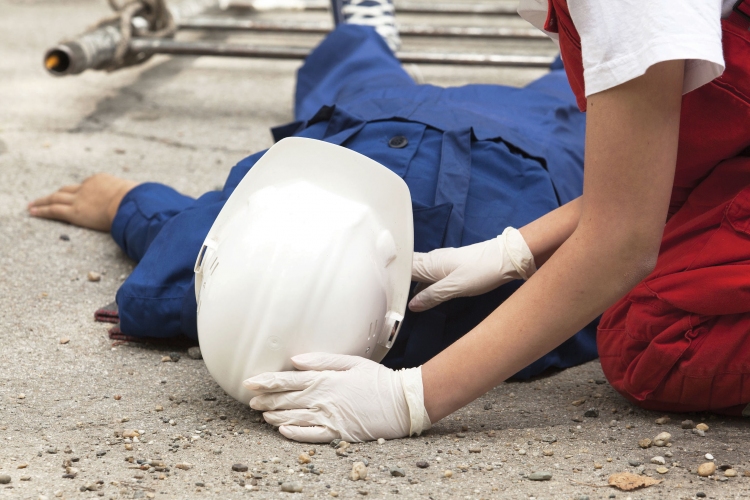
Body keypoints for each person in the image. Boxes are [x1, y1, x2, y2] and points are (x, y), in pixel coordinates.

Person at [32, 0, 602, 441]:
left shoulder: (500, 325)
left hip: (387, 128)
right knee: (586, 82)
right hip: (472, 140)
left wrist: (125, 202)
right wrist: (126, 200)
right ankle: (579, 33)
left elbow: (173, 246)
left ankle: (365, 28)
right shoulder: (214, 277)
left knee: (358, 71)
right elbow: (177, 243)